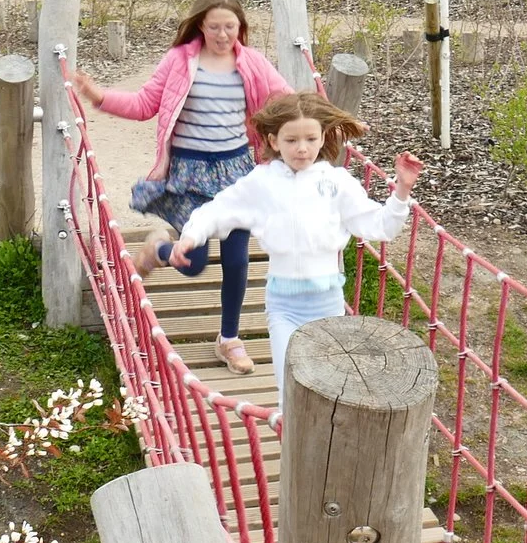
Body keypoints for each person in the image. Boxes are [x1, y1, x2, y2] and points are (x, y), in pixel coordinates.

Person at [71, 0, 291, 375]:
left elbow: (288, 102)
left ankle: (228, 339)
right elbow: (144, 105)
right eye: (214, 27)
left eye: (230, 27)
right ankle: (157, 250)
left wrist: (331, 121)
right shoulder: (178, 61)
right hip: (189, 175)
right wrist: (98, 96)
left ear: (241, 26)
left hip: (236, 172)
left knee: (238, 259)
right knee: (193, 262)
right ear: (199, 26)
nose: (223, 36)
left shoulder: (253, 63)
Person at [169, 92, 422, 399]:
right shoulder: (262, 182)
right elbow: (219, 209)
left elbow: (380, 225)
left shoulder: (337, 183)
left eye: (310, 139)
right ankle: (289, 436)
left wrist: (402, 192)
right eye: (291, 141)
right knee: (288, 385)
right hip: (283, 305)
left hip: (327, 303)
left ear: (323, 137)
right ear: (274, 141)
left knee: (329, 387)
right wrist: (192, 235)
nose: (302, 148)